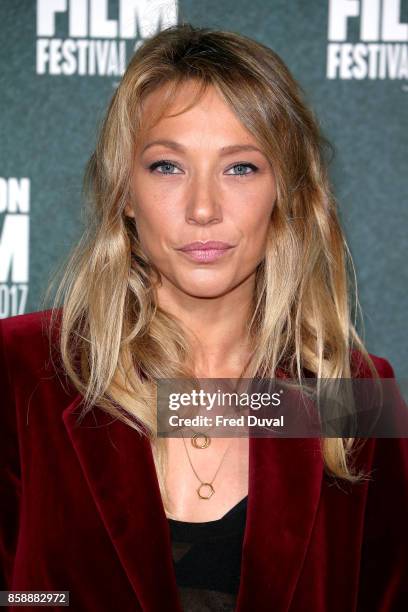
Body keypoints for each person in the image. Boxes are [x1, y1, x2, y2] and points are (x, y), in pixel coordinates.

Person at [1, 23, 407, 612]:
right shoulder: (21, 371)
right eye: (167, 166)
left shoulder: (355, 396)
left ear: (287, 193)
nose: (202, 209)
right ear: (124, 194)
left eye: (240, 167)